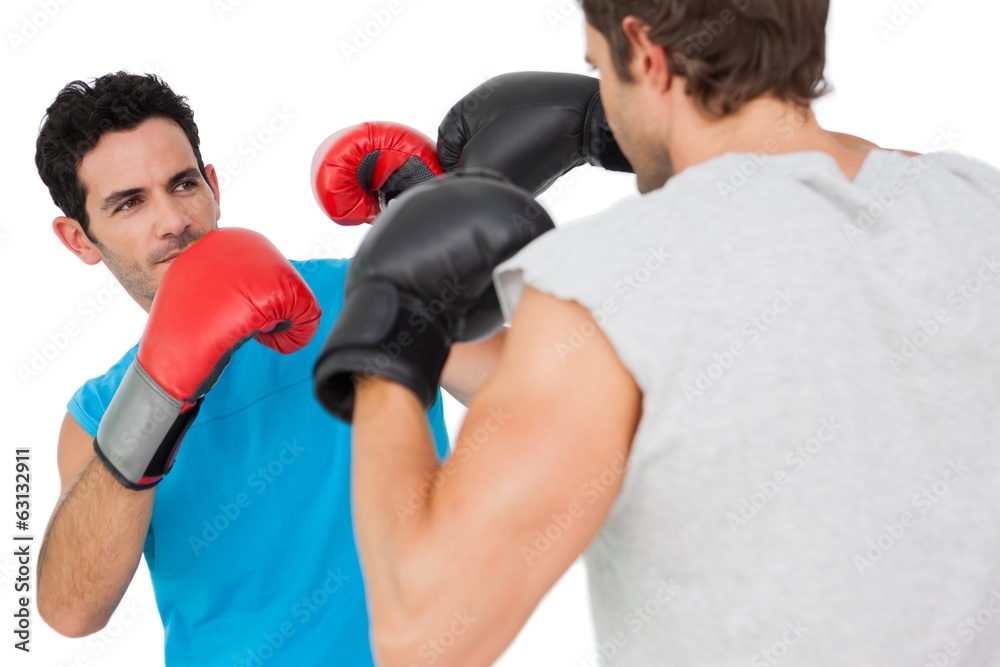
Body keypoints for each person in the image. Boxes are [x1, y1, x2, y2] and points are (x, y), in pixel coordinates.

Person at [312, 1, 1000, 666]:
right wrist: (662, 123)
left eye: (601, 70)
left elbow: (421, 631)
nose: (603, 99)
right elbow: (653, 415)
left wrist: (393, 317)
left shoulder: (614, 275)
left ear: (645, 51)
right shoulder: (972, 203)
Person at [33, 71, 502, 666]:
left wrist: (452, 254)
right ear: (79, 239)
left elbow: (556, 403)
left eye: (182, 185)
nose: (173, 220)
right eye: (129, 203)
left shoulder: (366, 294)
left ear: (213, 187)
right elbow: (71, 612)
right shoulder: (98, 415)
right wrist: (160, 395)